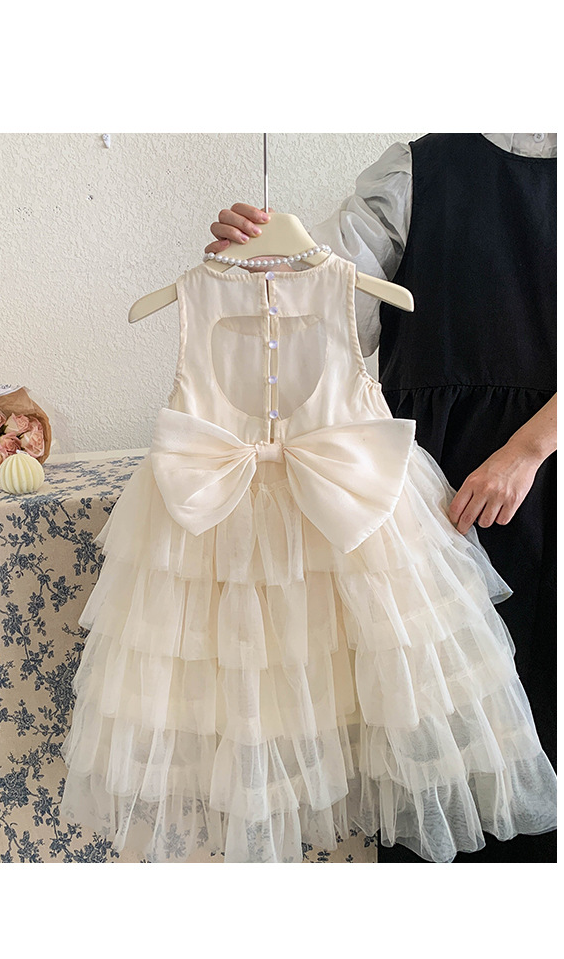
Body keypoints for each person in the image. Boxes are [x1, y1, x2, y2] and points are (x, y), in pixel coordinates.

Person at [204, 133, 557, 863]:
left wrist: (527, 449)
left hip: (536, 462)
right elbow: (325, 316)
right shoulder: (420, 168)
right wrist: (257, 263)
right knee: (435, 729)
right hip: (426, 491)